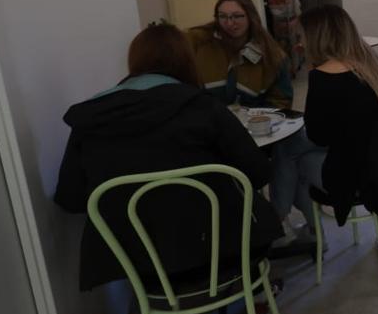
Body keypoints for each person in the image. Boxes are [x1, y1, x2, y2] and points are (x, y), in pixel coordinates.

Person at [53, 23, 281, 291]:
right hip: (221, 253)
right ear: (187, 60)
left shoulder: (91, 120)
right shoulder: (202, 108)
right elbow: (257, 173)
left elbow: (71, 198)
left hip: (138, 268)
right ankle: (255, 294)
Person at [189, 0, 324, 245]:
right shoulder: (198, 44)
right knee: (293, 163)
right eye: (223, 16)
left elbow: (281, 101)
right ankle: (272, 226)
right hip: (205, 138)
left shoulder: (270, 54)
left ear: (250, 17)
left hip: (253, 138)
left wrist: (257, 118)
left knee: (289, 161)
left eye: (237, 16)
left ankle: (271, 225)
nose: (230, 23)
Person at [299, 6, 378, 233]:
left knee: (292, 157)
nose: (301, 43)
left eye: (302, 37)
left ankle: (290, 225)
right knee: (293, 151)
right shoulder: (373, 67)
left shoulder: (322, 77)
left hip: (356, 177)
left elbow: (319, 137)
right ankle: (284, 221)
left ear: (316, 38)